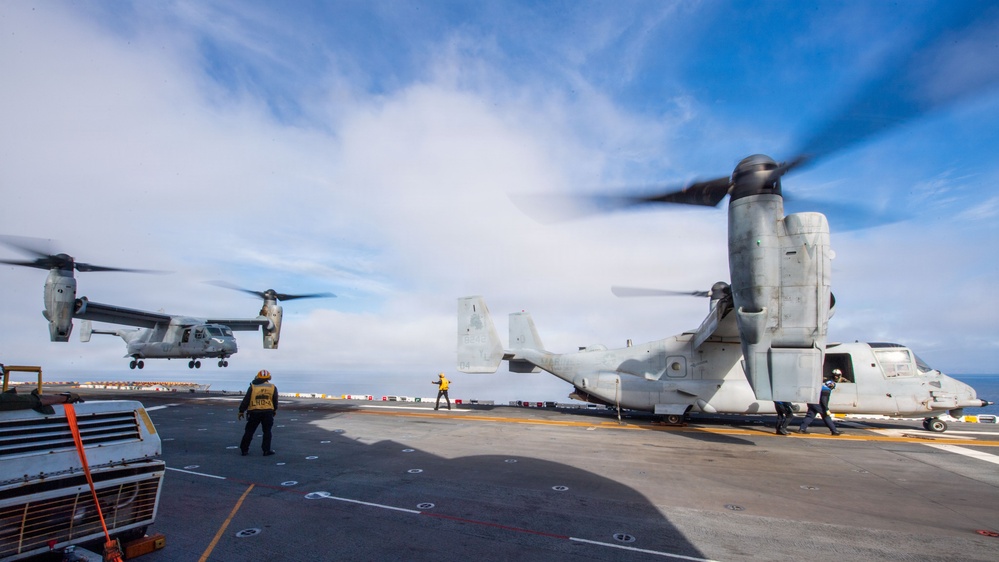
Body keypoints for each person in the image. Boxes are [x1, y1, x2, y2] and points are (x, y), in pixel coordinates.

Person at [238, 369, 278, 456]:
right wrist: (274, 410)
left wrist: (241, 411)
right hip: (268, 412)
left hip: (254, 412)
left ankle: (244, 450)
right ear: (269, 377)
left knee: (249, 431)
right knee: (267, 431)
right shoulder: (272, 387)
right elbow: (275, 400)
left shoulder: (253, 386)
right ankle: (266, 450)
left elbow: (246, 399)